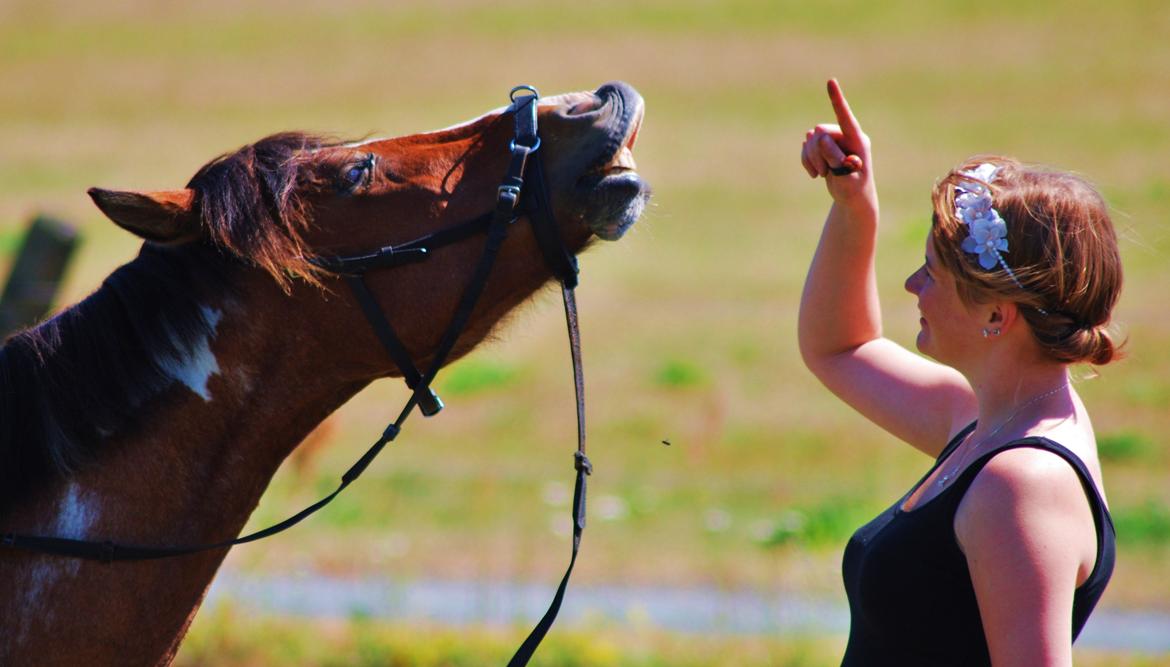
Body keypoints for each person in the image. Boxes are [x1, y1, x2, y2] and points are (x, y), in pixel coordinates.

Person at [797, 79, 1120, 666]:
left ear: (997, 313)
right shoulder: (987, 420)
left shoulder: (1020, 485)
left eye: (931, 274)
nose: (912, 287)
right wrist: (854, 205)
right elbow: (839, 347)